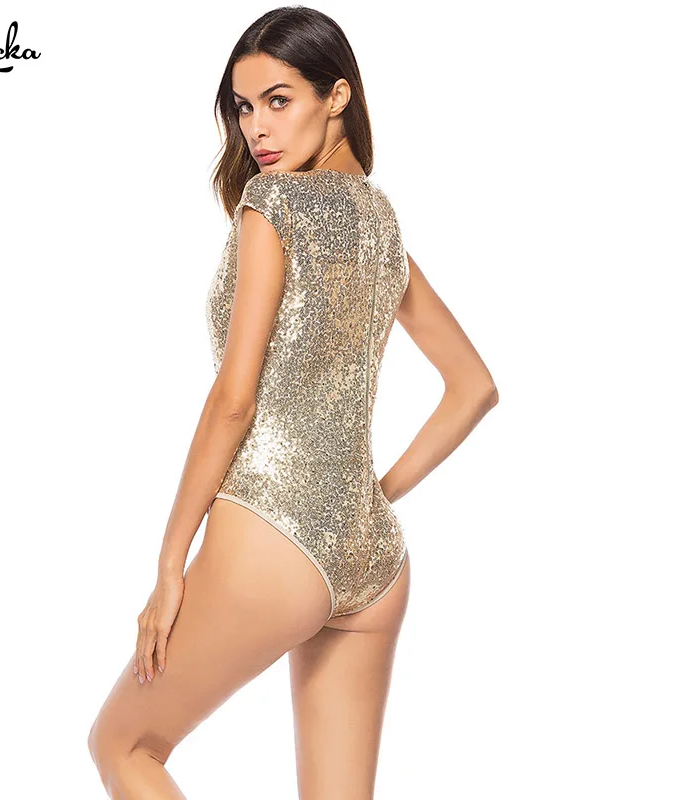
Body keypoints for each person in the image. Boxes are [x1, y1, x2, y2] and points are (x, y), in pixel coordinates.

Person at [88, 7, 498, 799]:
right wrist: (370, 499)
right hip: (373, 557)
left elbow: (233, 401)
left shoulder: (272, 206)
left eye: (279, 100)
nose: (257, 129)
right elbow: (472, 387)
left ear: (336, 95)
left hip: (269, 530)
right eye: (244, 107)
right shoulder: (380, 222)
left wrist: (170, 564)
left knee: (125, 745)